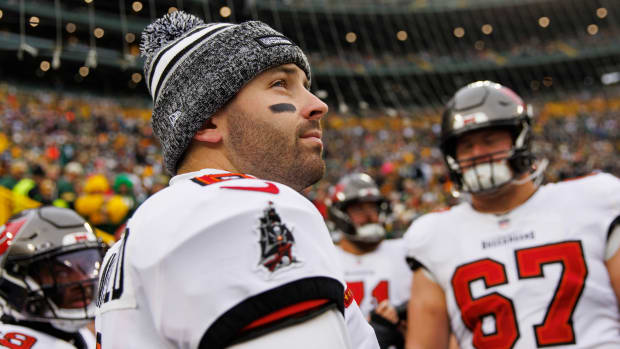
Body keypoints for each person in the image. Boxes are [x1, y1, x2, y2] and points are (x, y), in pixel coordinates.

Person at [94, 11, 379, 349]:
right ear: (206, 124)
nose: (318, 105)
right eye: (280, 84)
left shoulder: (144, 230)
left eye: (306, 86)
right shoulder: (246, 206)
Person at [403, 81, 620, 349]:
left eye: (489, 140)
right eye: (466, 146)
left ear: (521, 139)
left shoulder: (594, 199)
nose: (478, 154)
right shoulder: (433, 234)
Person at [0, 206, 104, 348]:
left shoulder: (80, 335)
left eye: (87, 265)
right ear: (14, 278)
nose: (83, 281)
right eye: (61, 272)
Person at [330, 173, 411, 348]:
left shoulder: (405, 250)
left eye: (372, 208)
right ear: (340, 214)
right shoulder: (327, 258)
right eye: (359, 209)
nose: (369, 216)